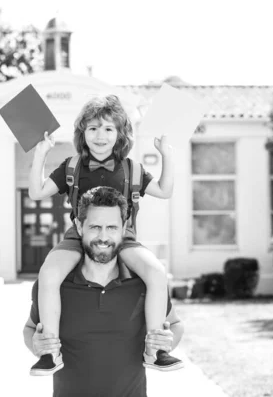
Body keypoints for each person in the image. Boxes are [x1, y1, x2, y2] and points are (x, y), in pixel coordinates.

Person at [28, 94, 182, 375]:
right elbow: (36, 192)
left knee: (157, 273)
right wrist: (40, 155)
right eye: (93, 128)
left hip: (124, 237)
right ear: (82, 133)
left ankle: (156, 349)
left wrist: (167, 155)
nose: (100, 136)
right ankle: (50, 353)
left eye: (109, 128)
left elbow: (165, 190)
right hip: (79, 234)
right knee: (49, 273)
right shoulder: (70, 167)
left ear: (120, 134)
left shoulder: (132, 169)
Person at [23, 186, 184, 397]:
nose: (103, 237)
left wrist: (167, 342)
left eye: (112, 227)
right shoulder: (55, 284)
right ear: (79, 227)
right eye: (95, 227)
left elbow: (175, 325)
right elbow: (30, 328)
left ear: (124, 227)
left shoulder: (144, 284)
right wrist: (36, 345)